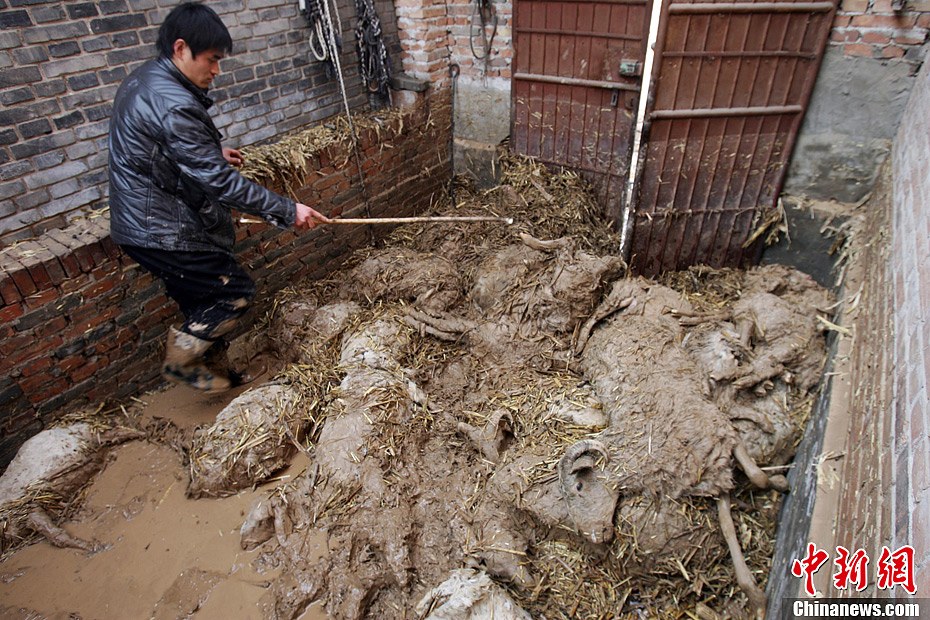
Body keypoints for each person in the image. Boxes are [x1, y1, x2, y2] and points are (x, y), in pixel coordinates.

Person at [108, 2, 331, 393]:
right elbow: (221, 184)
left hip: (141, 221)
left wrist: (211, 154)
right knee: (233, 294)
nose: (216, 70)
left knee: (201, 302)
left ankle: (220, 377)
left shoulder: (147, 79)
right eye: (211, 60)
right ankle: (181, 364)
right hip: (161, 227)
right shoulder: (174, 104)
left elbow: (161, 149)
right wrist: (286, 209)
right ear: (181, 49)